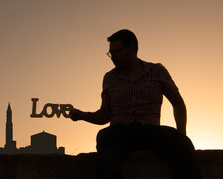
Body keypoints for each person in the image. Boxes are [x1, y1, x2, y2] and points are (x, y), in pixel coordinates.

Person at [69, 29, 201, 179]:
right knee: (105, 137)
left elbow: (178, 103)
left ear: (132, 49)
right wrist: (81, 115)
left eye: (117, 52)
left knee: (182, 143)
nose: (113, 57)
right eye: (110, 53)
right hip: (120, 132)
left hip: (151, 131)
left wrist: (181, 133)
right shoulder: (109, 78)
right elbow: (104, 115)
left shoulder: (157, 71)